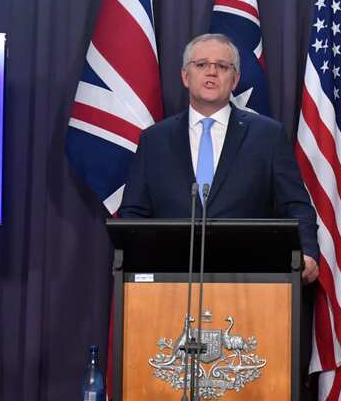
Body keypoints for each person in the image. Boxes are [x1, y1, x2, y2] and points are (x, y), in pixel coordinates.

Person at [120, 33, 320, 283]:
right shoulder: (154, 140)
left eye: (222, 66)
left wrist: (308, 252)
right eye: (202, 64)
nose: (212, 72)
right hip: (170, 281)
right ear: (185, 76)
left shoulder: (267, 135)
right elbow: (133, 212)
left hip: (249, 281)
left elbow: (296, 205)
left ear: (235, 79)